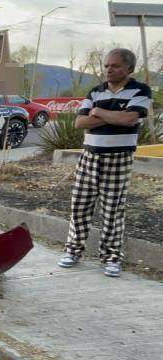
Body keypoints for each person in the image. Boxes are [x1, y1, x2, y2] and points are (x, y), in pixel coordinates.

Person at [58, 48, 152, 277]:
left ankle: (111, 257)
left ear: (129, 68)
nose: (109, 70)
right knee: (80, 206)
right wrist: (112, 117)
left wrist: (98, 112)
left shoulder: (140, 90)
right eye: (107, 66)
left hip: (118, 159)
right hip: (89, 157)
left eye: (115, 66)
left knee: (112, 210)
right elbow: (79, 123)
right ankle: (73, 250)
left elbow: (130, 119)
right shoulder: (95, 91)